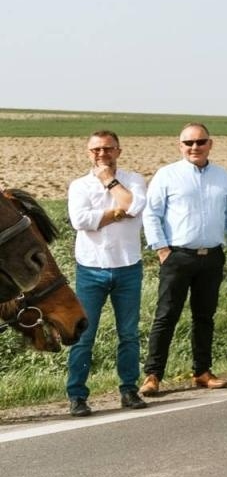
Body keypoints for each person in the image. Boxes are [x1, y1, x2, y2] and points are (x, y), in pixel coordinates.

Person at [140, 123, 227, 395]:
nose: (194, 148)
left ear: (210, 144)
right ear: (180, 146)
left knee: (205, 316)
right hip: (177, 256)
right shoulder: (167, 175)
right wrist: (162, 250)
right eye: (188, 143)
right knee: (166, 316)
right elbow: (151, 214)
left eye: (200, 142)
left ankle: (202, 371)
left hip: (211, 257)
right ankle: (153, 375)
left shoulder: (222, 177)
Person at [64, 130, 148, 415]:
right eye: (96, 150)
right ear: (88, 153)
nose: (102, 155)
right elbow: (81, 221)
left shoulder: (134, 180)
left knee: (128, 334)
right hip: (91, 269)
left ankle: (129, 390)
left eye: (108, 149)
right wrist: (118, 211)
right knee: (83, 335)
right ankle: (77, 395)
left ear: (118, 151)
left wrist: (108, 181)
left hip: (128, 267)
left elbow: (135, 205)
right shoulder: (78, 186)